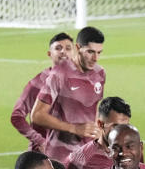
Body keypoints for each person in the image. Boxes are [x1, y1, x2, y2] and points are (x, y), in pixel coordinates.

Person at [30, 26, 106, 162]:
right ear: (77, 47)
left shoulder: (99, 73)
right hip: (60, 155)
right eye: (90, 52)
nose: (95, 58)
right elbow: (37, 115)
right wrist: (74, 128)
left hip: (88, 153)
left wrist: (99, 133)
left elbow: (93, 109)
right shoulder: (59, 74)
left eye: (99, 52)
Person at [11, 32, 75, 153]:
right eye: (58, 48)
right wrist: (39, 140)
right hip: (43, 158)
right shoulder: (37, 83)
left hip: (72, 155)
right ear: (49, 54)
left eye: (68, 48)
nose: (63, 52)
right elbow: (17, 116)